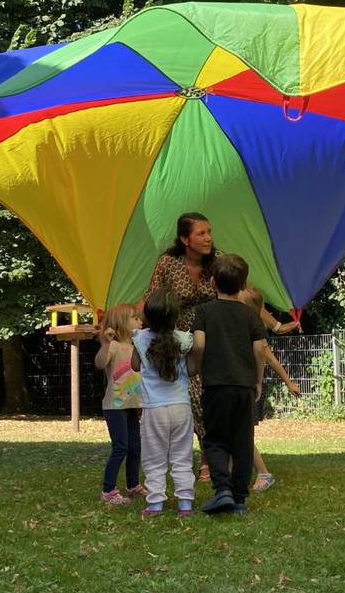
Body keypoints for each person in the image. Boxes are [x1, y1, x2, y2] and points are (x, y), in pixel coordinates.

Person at [143, 212, 300, 481]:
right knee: (193, 398)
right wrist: (131, 324)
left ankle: (211, 459)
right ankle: (211, 456)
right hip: (181, 342)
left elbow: (246, 295)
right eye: (201, 233)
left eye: (209, 232)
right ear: (185, 239)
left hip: (216, 339)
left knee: (209, 399)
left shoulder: (219, 260)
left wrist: (275, 325)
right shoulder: (168, 263)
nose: (208, 238)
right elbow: (151, 299)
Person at [191, 254, 266, 515]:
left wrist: (200, 368)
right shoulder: (250, 315)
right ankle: (239, 499)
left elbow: (198, 344)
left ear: (213, 282)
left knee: (215, 439)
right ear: (244, 285)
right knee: (243, 441)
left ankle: (222, 489)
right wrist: (257, 381)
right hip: (244, 386)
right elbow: (260, 350)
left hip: (216, 385)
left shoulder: (204, 311)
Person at [130, 288, 197, 517]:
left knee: (154, 457)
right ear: (175, 316)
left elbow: (135, 366)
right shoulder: (185, 339)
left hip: (154, 410)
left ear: (148, 316)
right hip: (181, 407)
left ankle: (155, 503)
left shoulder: (140, 339)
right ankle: (185, 503)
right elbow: (192, 370)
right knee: (182, 456)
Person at [238, 285, 301, 492]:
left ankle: (263, 473)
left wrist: (289, 383)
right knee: (236, 433)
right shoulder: (244, 326)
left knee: (242, 434)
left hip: (250, 388)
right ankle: (233, 475)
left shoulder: (254, 331)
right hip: (244, 385)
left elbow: (270, 359)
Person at [94, 304, 144, 505]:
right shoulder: (113, 346)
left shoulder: (137, 346)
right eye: (135, 318)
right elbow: (100, 363)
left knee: (135, 447)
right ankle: (108, 490)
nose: (140, 321)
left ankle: (133, 485)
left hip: (132, 406)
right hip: (115, 407)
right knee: (121, 447)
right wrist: (105, 344)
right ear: (121, 323)